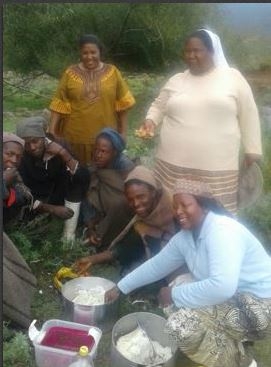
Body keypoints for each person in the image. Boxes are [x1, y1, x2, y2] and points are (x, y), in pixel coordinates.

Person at [105, 177, 271, 367]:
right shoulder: (186, 237)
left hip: (261, 306)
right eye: (175, 207)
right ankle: (232, 337)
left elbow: (223, 286)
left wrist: (174, 295)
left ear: (204, 206)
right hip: (236, 296)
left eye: (185, 205)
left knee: (180, 326)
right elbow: (156, 265)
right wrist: (120, 287)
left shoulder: (222, 231)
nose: (178, 212)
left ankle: (243, 362)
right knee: (181, 283)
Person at [138, 28, 262, 215]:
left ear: (212, 52)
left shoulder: (232, 78)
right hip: (171, 164)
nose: (191, 55)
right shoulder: (177, 80)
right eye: (187, 51)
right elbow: (158, 105)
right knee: (173, 211)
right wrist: (150, 121)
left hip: (216, 166)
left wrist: (253, 149)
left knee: (215, 217)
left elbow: (249, 113)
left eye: (197, 50)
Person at [48, 33, 136, 165]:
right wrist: (52, 131)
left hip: (106, 139)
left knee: (104, 175)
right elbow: (59, 103)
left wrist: (123, 132)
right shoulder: (70, 73)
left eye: (93, 52)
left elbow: (123, 104)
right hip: (74, 137)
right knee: (76, 173)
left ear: (100, 52)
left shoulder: (113, 72)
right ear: (80, 53)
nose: (89, 57)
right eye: (85, 53)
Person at [75, 165, 178, 276]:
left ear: (153, 191)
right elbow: (129, 245)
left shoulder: (175, 211)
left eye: (141, 196)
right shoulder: (144, 218)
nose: (136, 204)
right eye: (130, 199)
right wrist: (93, 259)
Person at [16, 116, 90, 241]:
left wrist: (63, 153)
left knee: (77, 179)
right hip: (36, 200)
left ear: (44, 137)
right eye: (27, 143)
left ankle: (68, 236)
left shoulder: (60, 145)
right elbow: (22, 192)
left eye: (35, 141)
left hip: (60, 194)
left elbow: (83, 176)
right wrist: (51, 209)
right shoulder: (20, 155)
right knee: (30, 233)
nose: (32, 147)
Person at [3, 132, 37, 328]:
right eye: (8, 154)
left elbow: (26, 196)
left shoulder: (12, 174)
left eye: (18, 157)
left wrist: (8, 190)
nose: (13, 160)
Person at [81, 127, 136, 248]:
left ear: (115, 153)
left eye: (103, 151)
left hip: (121, 209)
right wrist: (90, 226)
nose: (98, 155)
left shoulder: (125, 167)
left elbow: (130, 194)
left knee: (118, 203)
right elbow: (87, 195)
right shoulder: (95, 166)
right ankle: (92, 228)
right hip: (103, 204)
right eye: (96, 150)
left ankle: (107, 238)